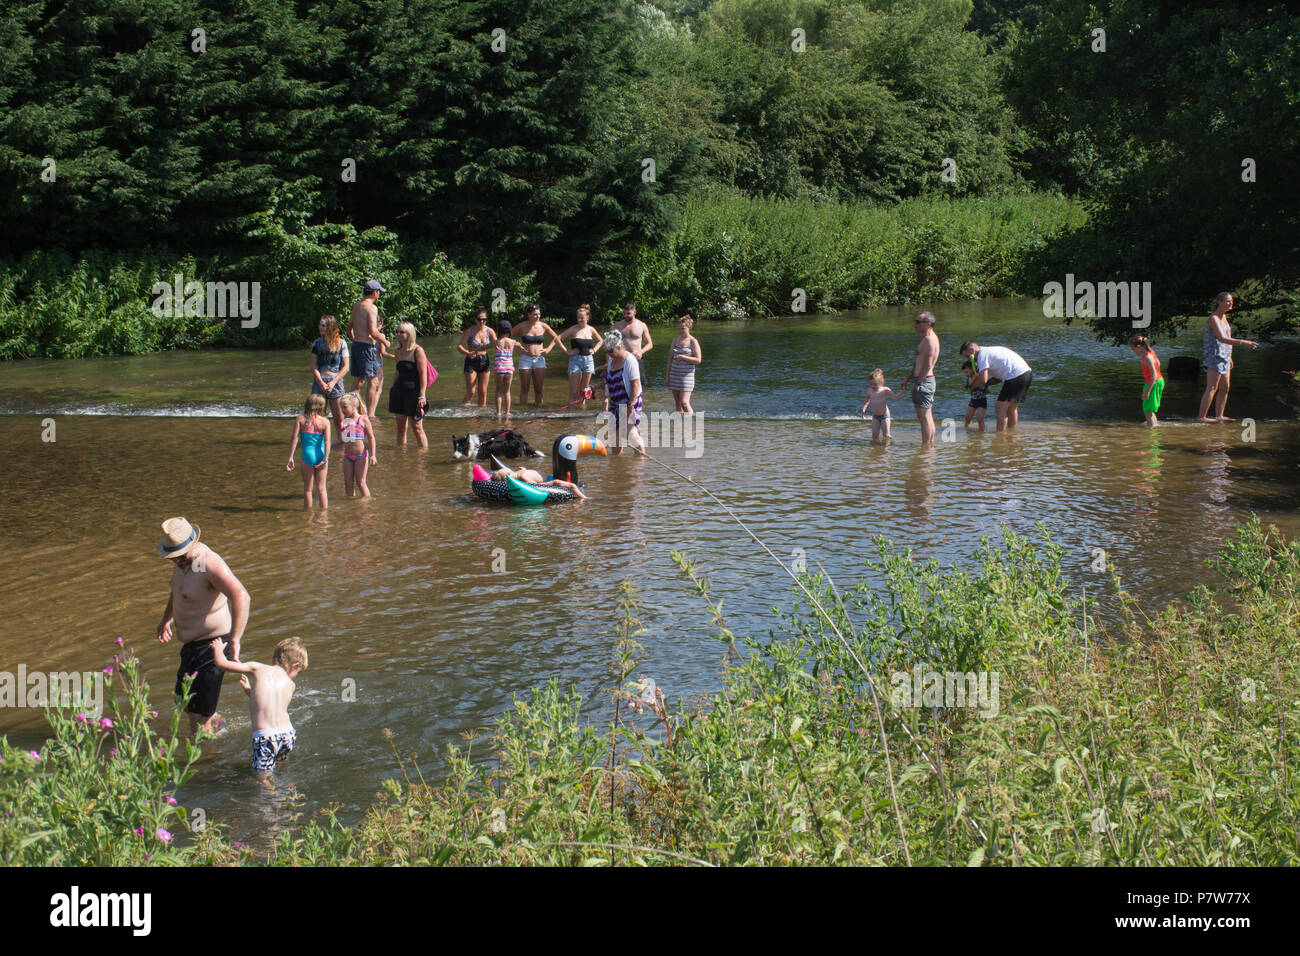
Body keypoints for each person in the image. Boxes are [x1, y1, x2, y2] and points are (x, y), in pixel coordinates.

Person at [154, 517, 250, 736]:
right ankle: (223, 731)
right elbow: (178, 591)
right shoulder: (183, 563)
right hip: (192, 647)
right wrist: (166, 618)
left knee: (199, 719)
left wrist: (235, 640)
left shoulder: (208, 562)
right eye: (172, 557)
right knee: (185, 703)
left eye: (179, 556)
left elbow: (241, 596)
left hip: (213, 646)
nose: (176, 561)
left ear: (191, 545)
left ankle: (208, 764)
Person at [211, 637, 307, 774]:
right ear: (295, 665)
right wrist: (250, 692)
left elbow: (221, 663)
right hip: (288, 734)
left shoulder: (257, 668)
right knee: (279, 765)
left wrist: (217, 649)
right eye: (298, 672)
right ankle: (291, 792)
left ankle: (271, 793)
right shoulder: (290, 684)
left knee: (262, 777)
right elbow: (272, 704)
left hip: (266, 737)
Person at [1197, 292, 1259, 422]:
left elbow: (1226, 340)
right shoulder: (1214, 318)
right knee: (1212, 387)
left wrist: (1229, 357)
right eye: (1228, 301)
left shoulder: (1224, 317)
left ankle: (1219, 416)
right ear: (1219, 302)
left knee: (1225, 387)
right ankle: (1202, 417)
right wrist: (1243, 342)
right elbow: (1222, 338)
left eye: (1231, 301)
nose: (1230, 303)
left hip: (1224, 356)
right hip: (1214, 356)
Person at [960, 341, 1032, 432]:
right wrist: (988, 383)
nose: (968, 360)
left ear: (972, 350)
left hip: (1016, 376)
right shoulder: (988, 351)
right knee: (1012, 407)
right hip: (1026, 373)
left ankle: (1000, 437)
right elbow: (998, 376)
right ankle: (1012, 434)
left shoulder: (982, 355)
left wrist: (972, 386)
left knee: (1000, 407)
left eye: (967, 356)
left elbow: (983, 380)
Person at [348, 280, 391, 421]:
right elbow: (373, 332)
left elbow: (348, 328)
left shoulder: (357, 306)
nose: (379, 294)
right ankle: (370, 415)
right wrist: (385, 341)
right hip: (367, 347)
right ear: (374, 292)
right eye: (379, 292)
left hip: (356, 347)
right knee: (373, 381)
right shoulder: (371, 308)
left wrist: (354, 339)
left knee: (358, 381)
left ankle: (348, 410)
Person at [599, 330, 645, 456]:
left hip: (630, 401)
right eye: (607, 352)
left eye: (611, 352)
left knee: (631, 434)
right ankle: (619, 469)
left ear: (619, 347)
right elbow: (609, 380)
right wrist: (594, 387)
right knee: (616, 443)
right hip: (615, 404)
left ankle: (640, 465)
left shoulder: (629, 360)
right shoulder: (611, 361)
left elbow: (635, 384)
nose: (609, 355)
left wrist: (631, 405)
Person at [898, 312, 940, 444]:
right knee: (926, 416)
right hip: (923, 380)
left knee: (924, 416)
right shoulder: (927, 338)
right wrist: (909, 378)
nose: (915, 324)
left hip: (924, 381)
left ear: (928, 324)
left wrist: (918, 382)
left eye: (918, 322)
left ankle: (926, 448)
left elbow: (928, 364)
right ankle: (929, 446)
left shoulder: (929, 340)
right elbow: (919, 363)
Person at [388, 321, 430, 448]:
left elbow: (423, 374)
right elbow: (398, 371)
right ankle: (402, 457)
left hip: (413, 392)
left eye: (402, 332)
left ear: (409, 334)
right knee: (400, 428)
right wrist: (392, 387)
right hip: (398, 391)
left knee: (417, 427)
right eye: (397, 331)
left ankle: (423, 456)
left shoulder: (418, 351)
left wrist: (422, 395)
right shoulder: (398, 351)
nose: (398, 334)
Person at [286, 394, 331, 508]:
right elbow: (327, 442)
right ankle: (324, 518)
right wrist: (325, 459)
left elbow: (294, 438)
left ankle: (308, 519)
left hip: (307, 455)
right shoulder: (325, 422)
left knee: (308, 490)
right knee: (322, 489)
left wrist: (291, 457)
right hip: (321, 454)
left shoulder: (300, 419)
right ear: (321, 407)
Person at [514, 304, 562, 406]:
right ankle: (523, 412)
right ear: (528, 314)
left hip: (539, 359)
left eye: (539, 314)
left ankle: (539, 411)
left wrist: (548, 349)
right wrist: (517, 348)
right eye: (535, 314)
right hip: (525, 359)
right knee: (524, 388)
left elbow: (556, 338)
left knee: (539, 389)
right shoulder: (522, 326)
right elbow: (506, 337)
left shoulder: (543, 326)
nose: (538, 316)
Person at [310, 315, 350, 437]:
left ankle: (344, 446)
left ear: (330, 327)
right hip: (319, 383)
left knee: (340, 421)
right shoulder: (317, 343)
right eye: (320, 325)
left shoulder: (342, 343)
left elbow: (346, 367)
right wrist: (322, 383)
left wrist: (333, 383)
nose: (320, 327)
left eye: (323, 325)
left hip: (336, 383)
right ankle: (320, 446)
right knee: (317, 419)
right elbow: (314, 367)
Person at [559, 304, 603, 409]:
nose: (579, 319)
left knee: (584, 392)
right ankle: (571, 415)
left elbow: (600, 340)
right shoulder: (573, 329)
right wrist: (567, 352)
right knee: (574, 393)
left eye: (582, 317)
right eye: (578, 317)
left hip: (588, 361)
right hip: (575, 360)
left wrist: (594, 349)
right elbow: (558, 338)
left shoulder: (591, 329)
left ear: (587, 317)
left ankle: (581, 416)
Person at [339, 391, 378, 496]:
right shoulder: (345, 421)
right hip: (347, 456)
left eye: (345, 407)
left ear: (354, 406)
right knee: (348, 483)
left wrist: (373, 455)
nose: (342, 410)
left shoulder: (363, 419)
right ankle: (351, 508)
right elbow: (343, 440)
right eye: (341, 407)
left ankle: (366, 507)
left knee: (360, 483)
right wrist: (327, 444)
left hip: (361, 456)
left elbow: (371, 438)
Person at [457, 307, 495, 407]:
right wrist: (467, 353)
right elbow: (459, 346)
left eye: (484, 319)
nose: (482, 321)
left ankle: (481, 416)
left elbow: (496, 343)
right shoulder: (470, 331)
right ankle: (462, 413)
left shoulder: (490, 331)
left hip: (484, 360)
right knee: (471, 392)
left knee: (483, 392)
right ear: (475, 320)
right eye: (479, 319)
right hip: (471, 361)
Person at [665, 314, 701, 414]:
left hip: (687, 376)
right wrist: (667, 376)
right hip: (674, 375)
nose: (680, 330)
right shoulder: (675, 340)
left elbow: (698, 360)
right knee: (677, 403)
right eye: (679, 328)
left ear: (689, 328)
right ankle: (679, 425)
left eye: (683, 328)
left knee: (684, 402)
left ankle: (692, 424)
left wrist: (682, 357)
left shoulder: (693, 341)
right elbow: (670, 358)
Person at [489, 465, 588, 500]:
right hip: (549, 477)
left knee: (572, 486)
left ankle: (584, 499)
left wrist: (553, 482)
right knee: (571, 484)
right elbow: (536, 485)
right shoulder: (519, 472)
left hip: (550, 479)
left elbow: (536, 485)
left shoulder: (522, 476)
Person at [1129, 335, 1165, 427]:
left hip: (1153, 382)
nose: (1133, 351)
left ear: (1139, 347)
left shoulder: (1147, 357)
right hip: (1159, 381)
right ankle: (1154, 427)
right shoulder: (1151, 353)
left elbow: (1154, 375)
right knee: (1150, 409)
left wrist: (1147, 390)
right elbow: (1158, 363)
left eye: (1133, 349)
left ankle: (1151, 432)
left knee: (1147, 410)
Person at [860, 368, 901, 441]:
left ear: (881, 382)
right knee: (874, 436)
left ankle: (889, 448)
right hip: (875, 416)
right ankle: (876, 449)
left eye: (875, 384)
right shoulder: (869, 391)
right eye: (871, 384)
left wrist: (902, 391)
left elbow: (895, 397)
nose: (873, 386)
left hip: (885, 416)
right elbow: (866, 401)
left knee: (886, 435)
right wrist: (863, 409)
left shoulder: (885, 390)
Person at [493, 320, 521, 420]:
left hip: (499, 367)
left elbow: (484, 346)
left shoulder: (496, 342)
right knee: (507, 391)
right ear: (509, 330)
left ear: (499, 330)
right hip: (509, 367)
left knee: (498, 391)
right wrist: (525, 350)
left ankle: (498, 413)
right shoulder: (513, 342)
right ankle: (508, 413)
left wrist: (476, 350)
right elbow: (520, 347)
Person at [614, 300, 654, 366]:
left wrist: (641, 352)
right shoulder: (617, 325)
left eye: (628, 313)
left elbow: (650, 344)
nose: (626, 316)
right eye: (624, 313)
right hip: (621, 359)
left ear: (634, 312)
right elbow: (611, 344)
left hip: (637, 359)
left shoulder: (642, 325)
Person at [961, 358, 988, 429]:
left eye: (966, 372)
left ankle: (981, 433)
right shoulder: (969, 378)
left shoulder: (980, 376)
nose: (965, 374)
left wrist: (977, 375)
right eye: (964, 373)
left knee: (980, 419)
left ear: (972, 369)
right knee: (967, 418)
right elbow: (970, 385)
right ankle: (968, 431)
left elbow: (984, 383)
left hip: (982, 400)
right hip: (973, 400)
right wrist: (975, 376)